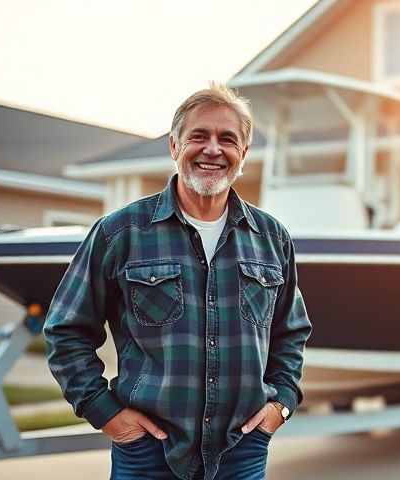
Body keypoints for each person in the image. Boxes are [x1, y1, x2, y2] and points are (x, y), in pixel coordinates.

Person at [44, 83, 312, 480]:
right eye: (198, 136)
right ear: (174, 146)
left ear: (244, 154)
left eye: (228, 139)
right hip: (148, 453)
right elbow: (66, 331)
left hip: (241, 452)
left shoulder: (272, 238)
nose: (213, 149)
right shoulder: (121, 233)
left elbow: (290, 334)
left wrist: (281, 406)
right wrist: (106, 413)